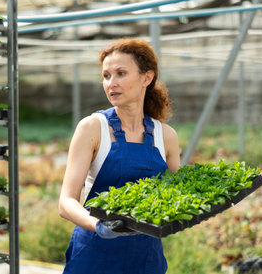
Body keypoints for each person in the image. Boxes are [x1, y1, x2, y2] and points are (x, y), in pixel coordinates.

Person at [58, 38, 180, 274]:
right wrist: (100, 225)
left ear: (147, 78)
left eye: (121, 73)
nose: (111, 83)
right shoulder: (93, 128)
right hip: (95, 255)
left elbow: (176, 197)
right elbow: (66, 202)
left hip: (146, 258)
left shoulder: (166, 136)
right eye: (106, 76)